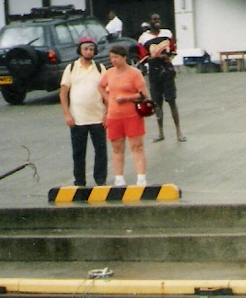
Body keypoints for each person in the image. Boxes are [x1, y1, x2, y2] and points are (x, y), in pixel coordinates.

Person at [97, 44, 150, 187]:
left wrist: (127, 98)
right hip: (114, 116)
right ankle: (119, 178)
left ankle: (141, 178)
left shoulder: (134, 73)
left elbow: (144, 94)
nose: (114, 60)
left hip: (132, 114)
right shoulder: (109, 73)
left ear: (124, 57)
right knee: (117, 148)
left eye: (116, 57)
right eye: (112, 58)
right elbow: (100, 86)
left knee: (136, 146)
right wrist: (108, 99)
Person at [59, 37, 108, 187]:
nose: (89, 51)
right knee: (78, 153)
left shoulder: (100, 68)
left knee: (101, 151)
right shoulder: (71, 68)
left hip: (98, 117)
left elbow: (107, 92)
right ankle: (80, 181)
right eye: (86, 48)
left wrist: (107, 113)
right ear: (80, 50)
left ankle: (100, 180)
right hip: (78, 119)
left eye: (91, 49)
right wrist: (67, 114)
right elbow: (63, 93)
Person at [140, 14, 183, 142]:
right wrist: (157, 57)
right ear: (149, 22)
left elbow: (173, 51)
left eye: (158, 19)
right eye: (154, 19)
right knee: (157, 104)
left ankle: (178, 131)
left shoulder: (167, 34)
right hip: (154, 72)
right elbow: (143, 58)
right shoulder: (144, 38)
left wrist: (168, 57)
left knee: (172, 101)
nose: (157, 21)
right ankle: (160, 132)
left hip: (168, 72)